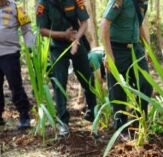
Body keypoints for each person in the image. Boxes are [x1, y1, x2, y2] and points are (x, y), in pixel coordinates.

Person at [36, 0, 97, 136]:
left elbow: (84, 22)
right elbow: (42, 30)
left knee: (87, 78)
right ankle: (63, 122)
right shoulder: (43, 3)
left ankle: (93, 112)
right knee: (60, 82)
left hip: (77, 40)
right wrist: (63, 35)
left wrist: (75, 39)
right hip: (57, 46)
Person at [101, 0, 152, 131]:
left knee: (145, 84)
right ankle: (120, 129)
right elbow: (105, 25)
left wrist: (148, 48)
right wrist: (108, 53)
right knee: (118, 91)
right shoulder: (120, 1)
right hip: (116, 50)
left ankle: (139, 122)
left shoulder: (143, 3)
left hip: (136, 49)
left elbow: (139, 25)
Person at [0, 0, 34, 129]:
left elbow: (26, 29)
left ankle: (24, 115)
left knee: (15, 85)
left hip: (10, 54)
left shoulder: (17, 8)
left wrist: (31, 48)